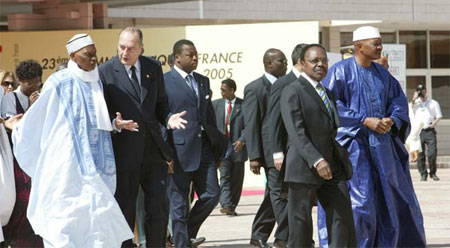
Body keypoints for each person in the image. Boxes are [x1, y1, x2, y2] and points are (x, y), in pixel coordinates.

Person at [11, 34, 133, 247]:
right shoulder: (59, 82)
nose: (94, 59)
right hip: (67, 166)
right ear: (73, 56)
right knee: (65, 222)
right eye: (88, 55)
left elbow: (96, 120)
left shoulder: (96, 81)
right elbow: (38, 117)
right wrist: (18, 127)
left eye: (95, 54)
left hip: (95, 167)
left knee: (96, 222)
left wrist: (114, 125)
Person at [319, 26, 426, 247]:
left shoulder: (383, 74)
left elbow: (397, 102)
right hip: (353, 150)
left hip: (382, 149)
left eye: (380, 43)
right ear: (359, 46)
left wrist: (392, 120)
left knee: (391, 199)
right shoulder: (339, 72)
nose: (380, 48)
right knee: (360, 203)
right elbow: (328, 106)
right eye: (375, 43)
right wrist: (363, 120)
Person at [99, 27, 186, 248]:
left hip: (153, 151)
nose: (124, 52)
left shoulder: (153, 67)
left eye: (130, 48)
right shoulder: (106, 71)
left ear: (141, 48)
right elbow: (100, 111)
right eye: (121, 47)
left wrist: (168, 119)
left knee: (157, 207)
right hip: (124, 152)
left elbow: (160, 105)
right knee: (125, 209)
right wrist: (115, 123)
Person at [280, 43, 356, 248]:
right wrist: (317, 160)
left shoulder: (327, 92)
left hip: (332, 166)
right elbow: (297, 133)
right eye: (314, 61)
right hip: (304, 167)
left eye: (324, 61)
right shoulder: (292, 91)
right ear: (302, 64)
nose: (320, 65)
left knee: (342, 216)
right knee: (301, 224)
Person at [164, 39, 226, 248]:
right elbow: (159, 116)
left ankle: (185, 233)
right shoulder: (164, 81)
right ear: (177, 57)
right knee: (179, 205)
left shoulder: (202, 80)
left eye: (196, 54)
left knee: (212, 194)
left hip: (204, 149)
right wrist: (165, 153)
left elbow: (208, 117)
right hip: (178, 152)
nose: (195, 58)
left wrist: (217, 149)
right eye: (190, 55)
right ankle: (182, 244)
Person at [243, 48, 288, 248]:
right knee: (279, 195)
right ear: (269, 64)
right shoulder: (255, 88)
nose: (285, 64)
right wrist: (254, 156)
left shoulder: (288, 86)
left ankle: (258, 235)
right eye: (281, 61)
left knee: (273, 195)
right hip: (269, 153)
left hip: (287, 150)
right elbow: (251, 124)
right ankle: (286, 237)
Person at [1, 60, 44, 247]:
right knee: (22, 197)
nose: (35, 86)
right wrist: (32, 109)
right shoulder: (10, 98)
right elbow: (15, 128)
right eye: (31, 83)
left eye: (38, 82)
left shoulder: (41, 97)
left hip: (36, 158)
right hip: (16, 158)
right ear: (22, 81)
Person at [212, 79, 247, 216]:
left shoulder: (243, 105)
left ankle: (232, 206)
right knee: (224, 177)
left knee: (237, 180)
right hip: (223, 148)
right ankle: (226, 204)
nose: (221, 92)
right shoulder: (215, 105)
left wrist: (242, 140)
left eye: (224, 89)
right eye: (221, 89)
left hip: (238, 148)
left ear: (232, 90)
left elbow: (248, 126)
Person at [410, 84, 442, 181]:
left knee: (432, 153)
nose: (421, 93)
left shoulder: (433, 103)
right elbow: (409, 109)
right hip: (418, 131)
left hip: (429, 130)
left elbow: (439, 115)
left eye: (423, 91)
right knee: (420, 154)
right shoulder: (415, 103)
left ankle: (433, 173)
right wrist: (414, 98)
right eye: (419, 91)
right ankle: (423, 174)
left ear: (426, 91)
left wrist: (434, 123)